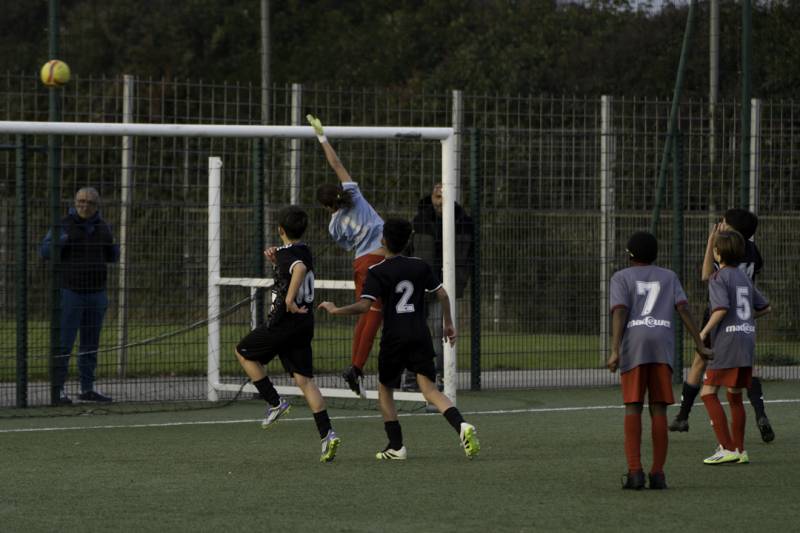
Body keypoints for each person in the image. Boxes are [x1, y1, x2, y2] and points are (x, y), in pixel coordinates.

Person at [318, 218, 480, 460]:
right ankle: (462, 426)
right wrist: (448, 324)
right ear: (408, 241)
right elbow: (443, 294)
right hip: (420, 334)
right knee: (430, 390)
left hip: (394, 338)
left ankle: (396, 446)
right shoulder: (420, 266)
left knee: (385, 389)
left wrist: (335, 309)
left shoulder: (377, 271)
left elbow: (364, 306)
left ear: (383, 240)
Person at [234, 206, 341, 463]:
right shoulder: (303, 249)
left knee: (243, 351)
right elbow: (295, 266)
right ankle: (328, 434)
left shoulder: (290, 254)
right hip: (304, 324)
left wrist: (289, 299)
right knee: (304, 380)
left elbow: (299, 269)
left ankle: (274, 402)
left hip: (283, 322)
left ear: (280, 230)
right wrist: (277, 262)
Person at [607, 231, 711, 490]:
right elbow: (683, 309)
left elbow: (620, 311)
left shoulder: (620, 277)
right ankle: (658, 474)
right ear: (656, 255)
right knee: (659, 408)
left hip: (635, 347)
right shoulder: (669, 276)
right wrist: (699, 344)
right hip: (662, 347)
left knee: (633, 406)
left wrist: (615, 350)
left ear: (629, 255)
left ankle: (635, 474)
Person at [669, 208, 775, 442]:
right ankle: (761, 414)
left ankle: (684, 415)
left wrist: (711, 242)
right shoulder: (752, 252)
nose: (720, 225)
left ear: (732, 231)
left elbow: (707, 275)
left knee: (700, 365)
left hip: (720, 316)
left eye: (724, 223)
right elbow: (761, 299)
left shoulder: (725, 252)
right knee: (745, 369)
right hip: (743, 317)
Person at [307, 114, 385, 399]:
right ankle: (356, 368)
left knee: (364, 314)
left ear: (326, 206)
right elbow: (336, 163)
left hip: (361, 262)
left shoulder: (333, 225)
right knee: (375, 314)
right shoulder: (355, 194)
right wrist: (322, 137)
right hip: (379, 260)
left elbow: (346, 244)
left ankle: (355, 367)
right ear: (339, 192)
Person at [39, 187, 119, 404]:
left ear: (96, 206)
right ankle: (58, 390)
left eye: (89, 202)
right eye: (80, 201)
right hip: (70, 293)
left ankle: (87, 388)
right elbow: (45, 251)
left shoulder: (104, 227)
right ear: (74, 202)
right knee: (64, 343)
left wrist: (115, 248)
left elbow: (113, 256)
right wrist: (60, 241)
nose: (84, 205)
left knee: (90, 344)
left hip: (97, 293)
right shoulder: (62, 225)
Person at [699, 230, 771, 465]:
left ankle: (727, 447)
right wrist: (746, 319)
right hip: (747, 340)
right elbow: (766, 307)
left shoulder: (718, 278)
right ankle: (740, 450)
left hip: (728, 342)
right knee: (735, 395)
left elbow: (720, 309)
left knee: (708, 392)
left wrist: (702, 333)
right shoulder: (743, 278)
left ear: (717, 253)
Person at [404, 182, 474, 391]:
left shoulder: (463, 222)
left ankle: (439, 375)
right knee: (413, 330)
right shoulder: (420, 221)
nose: (439, 195)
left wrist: (461, 278)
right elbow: (409, 250)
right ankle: (410, 377)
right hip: (419, 284)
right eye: (436, 192)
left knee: (439, 329)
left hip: (445, 285)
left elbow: (469, 255)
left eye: (444, 192)